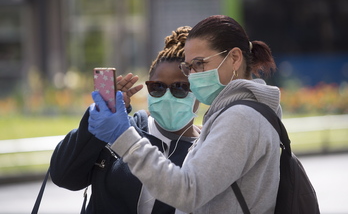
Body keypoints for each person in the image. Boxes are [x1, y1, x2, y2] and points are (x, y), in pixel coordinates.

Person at [93, 15, 282, 214]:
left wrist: (125, 138)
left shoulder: (241, 117)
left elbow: (187, 191)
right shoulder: (241, 112)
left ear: (234, 58)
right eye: (189, 67)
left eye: (199, 64)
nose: (192, 76)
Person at [50, 26, 201, 214]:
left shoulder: (207, 149)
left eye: (180, 88)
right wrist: (102, 114)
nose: (167, 96)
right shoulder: (121, 129)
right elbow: (63, 175)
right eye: (158, 87)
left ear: (199, 91)